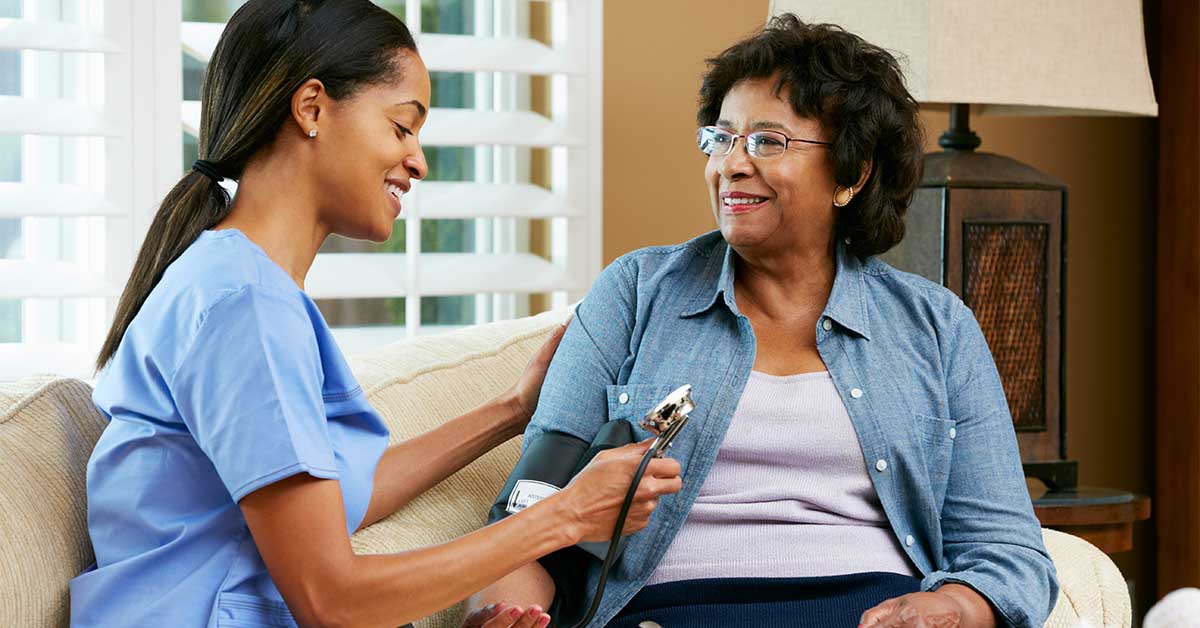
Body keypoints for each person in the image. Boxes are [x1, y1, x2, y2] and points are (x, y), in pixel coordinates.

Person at [68, 2, 681, 627]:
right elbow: (330, 599)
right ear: (312, 108)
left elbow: (338, 500)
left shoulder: (240, 285)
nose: (418, 161)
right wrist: (567, 515)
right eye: (401, 127)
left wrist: (512, 411)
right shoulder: (245, 308)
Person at [467, 14, 1058, 628]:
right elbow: (529, 511)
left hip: (868, 613)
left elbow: (1007, 551)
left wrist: (951, 607)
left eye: (767, 142)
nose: (731, 164)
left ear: (852, 175)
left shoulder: (936, 326)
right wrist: (504, 613)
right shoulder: (635, 292)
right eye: (721, 139)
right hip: (670, 614)